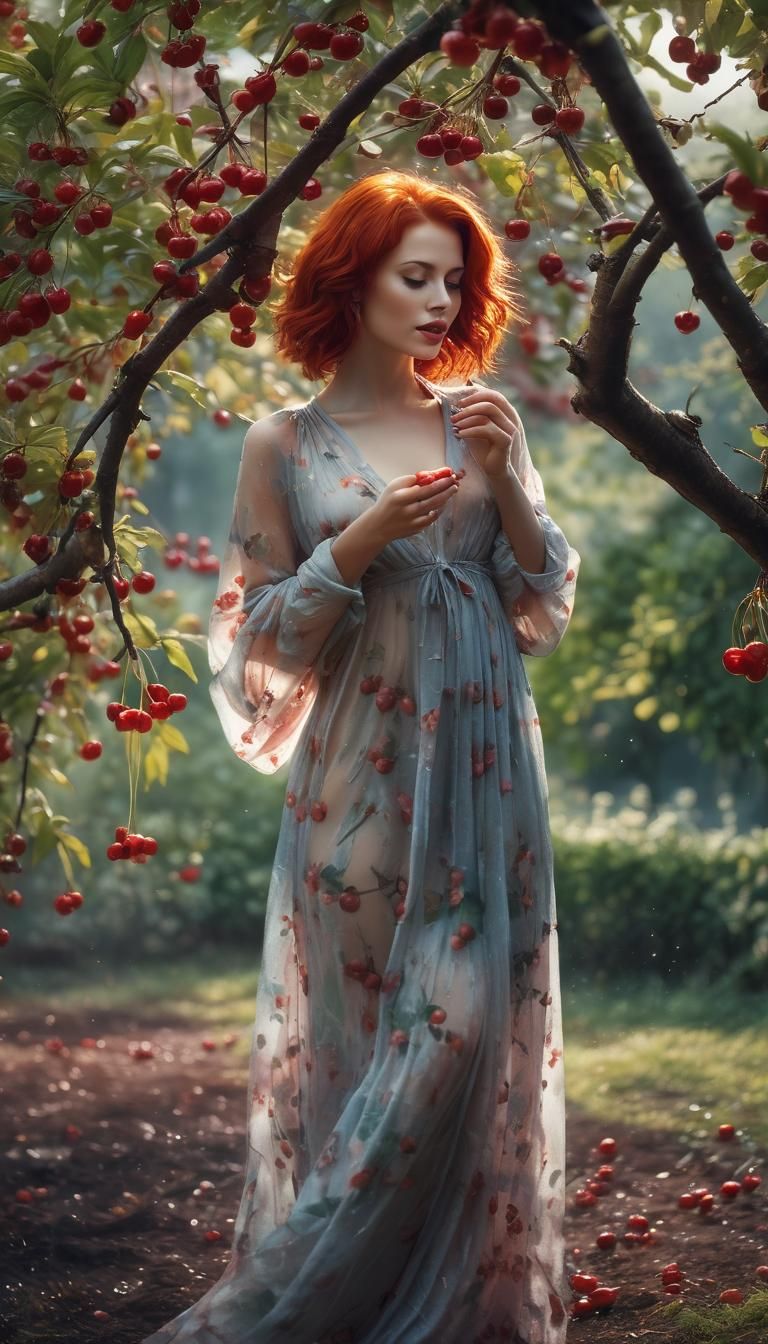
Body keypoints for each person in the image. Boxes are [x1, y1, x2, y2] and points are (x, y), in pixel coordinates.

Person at [142, 169, 580, 1344]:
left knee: (471, 1017)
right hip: (362, 766)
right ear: (356, 279)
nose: (441, 300)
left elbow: (540, 602)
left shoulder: (483, 417)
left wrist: (518, 496)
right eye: (415, 275)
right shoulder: (283, 441)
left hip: (487, 762)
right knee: (368, 1038)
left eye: (455, 279)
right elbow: (250, 642)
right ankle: (332, 1303)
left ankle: (408, 1293)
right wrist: (360, 545)